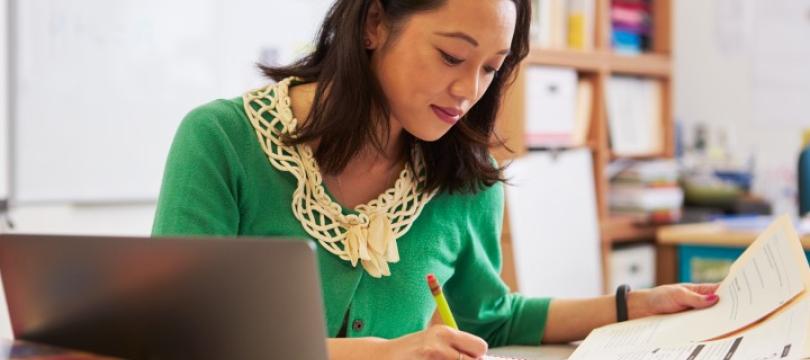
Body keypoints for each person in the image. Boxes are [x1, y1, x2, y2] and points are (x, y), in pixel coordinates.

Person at [152, 0, 719, 359]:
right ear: (375, 23)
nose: (469, 90)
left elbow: (490, 319)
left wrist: (633, 307)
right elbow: (179, 335)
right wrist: (384, 353)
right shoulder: (223, 142)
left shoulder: (467, 179)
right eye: (452, 57)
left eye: (491, 68)